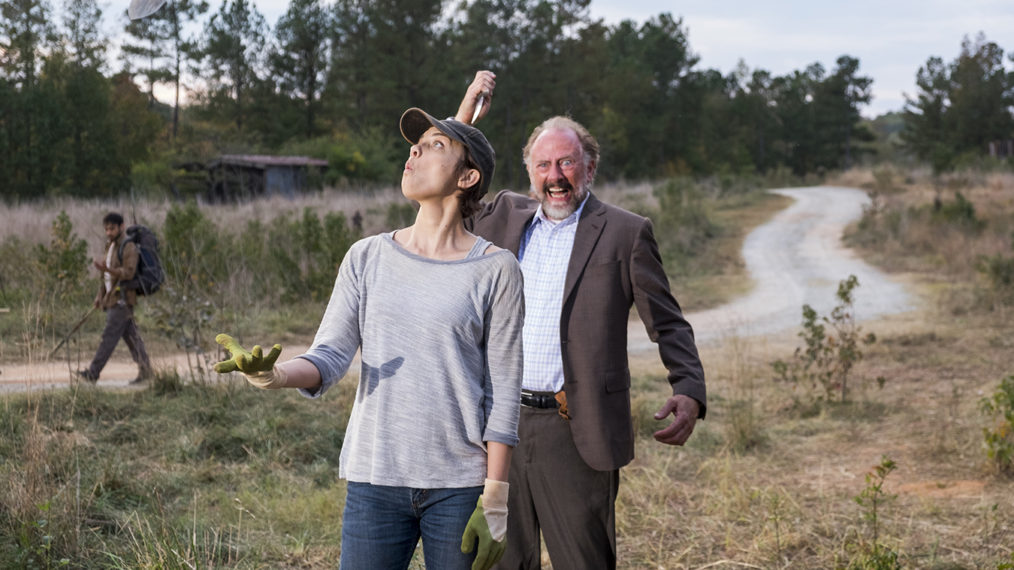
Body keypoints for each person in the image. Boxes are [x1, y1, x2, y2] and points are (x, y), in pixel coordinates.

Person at [214, 107, 525, 570]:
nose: (414, 150)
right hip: (375, 480)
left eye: (435, 145)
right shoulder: (367, 256)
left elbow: (503, 393)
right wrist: (273, 375)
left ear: (468, 176)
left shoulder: (496, 269)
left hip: (459, 485)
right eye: (414, 144)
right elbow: (331, 354)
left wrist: (495, 499)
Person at [455, 71, 707, 570]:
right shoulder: (501, 215)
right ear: (529, 171)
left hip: (577, 426)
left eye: (566, 162)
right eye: (544, 164)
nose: (556, 175)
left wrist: (690, 388)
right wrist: (464, 116)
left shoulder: (625, 233)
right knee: (500, 560)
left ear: (588, 167)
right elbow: (444, 184)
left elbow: (669, 322)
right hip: (496, 426)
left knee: (584, 561)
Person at [75, 212, 154, 385]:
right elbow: (106, 277)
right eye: (106, 229)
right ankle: (147, 371)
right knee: (132, 338)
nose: (109, 232)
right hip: (112, 299)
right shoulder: (109, 247)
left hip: (123, 300)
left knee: (108, 337)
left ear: (121, 227)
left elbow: (128, 273)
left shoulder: (129, 246)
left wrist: (108, 270)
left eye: (112, 229)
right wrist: (100, 296)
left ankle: (93, 374)